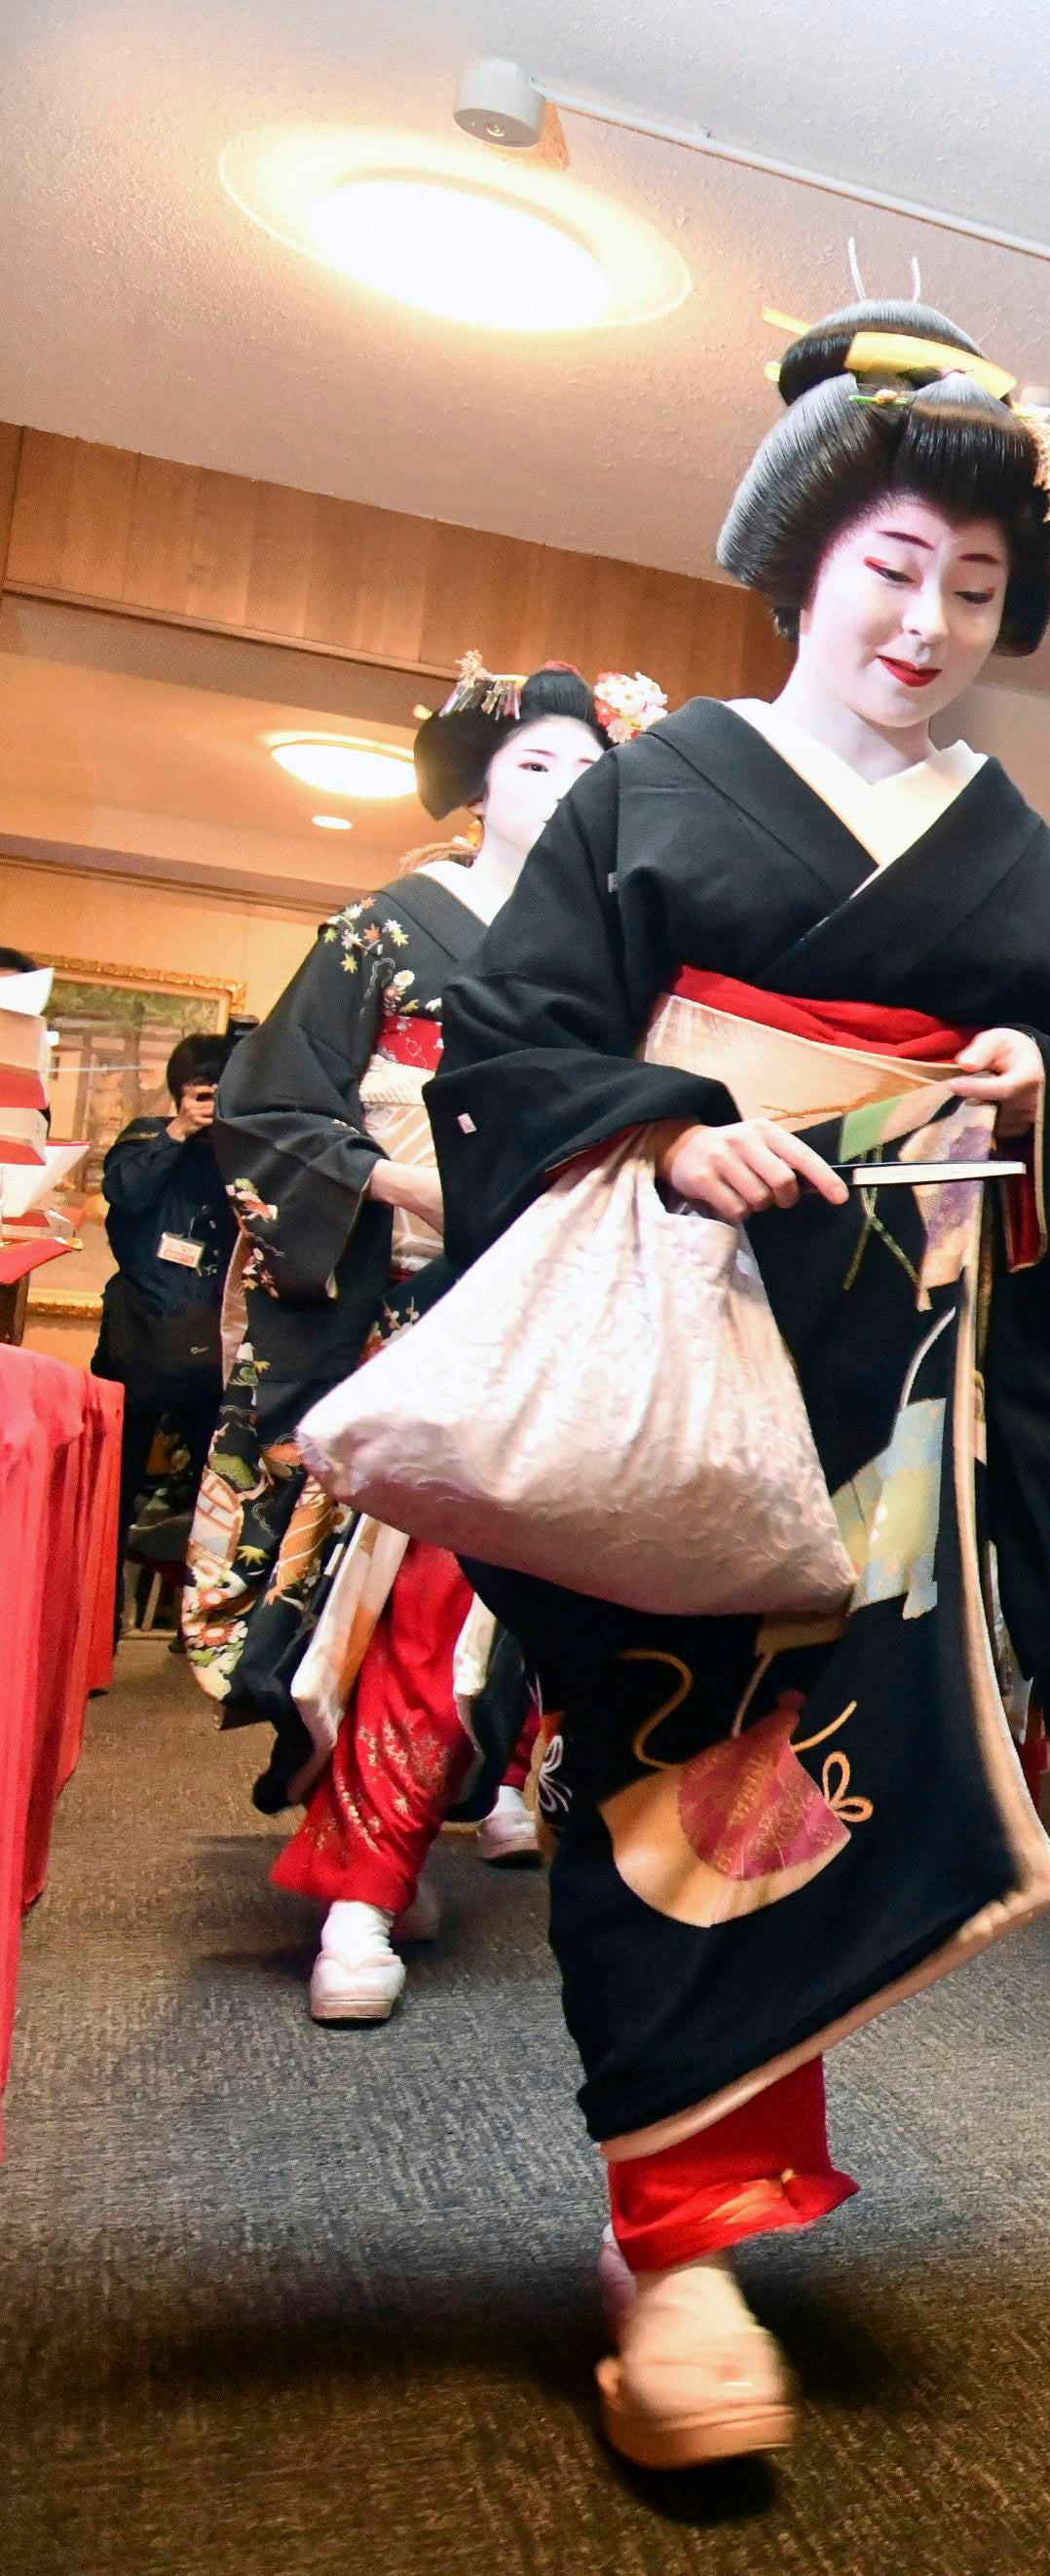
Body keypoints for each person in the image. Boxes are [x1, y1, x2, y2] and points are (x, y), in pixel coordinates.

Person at [429, 302, 1050, 2471]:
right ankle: (673, 2232)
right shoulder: (657, 787)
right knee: (661, 1764)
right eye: (892, 569)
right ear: (803, 564)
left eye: (977, 589)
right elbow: (506, 1045)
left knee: (816, 1789)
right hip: (689, 1328)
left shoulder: (1018, 852)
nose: (930, 622)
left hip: (895, 1383)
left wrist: (1044, 1081)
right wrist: (662, 1114)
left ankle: (702, 2211)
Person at [190, 658, 650, 2021]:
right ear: (477, 790)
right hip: (395, 1311)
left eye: (589, 773)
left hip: (541, 1314)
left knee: (482, 1618)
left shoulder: (616, 956)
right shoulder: (384, 927)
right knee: (389, 1598)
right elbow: (269, 1112)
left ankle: (376, 1863)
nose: (567, 795)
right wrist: (402, 1183)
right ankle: (361, 1886)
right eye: (534, 768)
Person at [94, 1029, 237, 1577]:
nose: (212, 1104)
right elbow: (124, 1193)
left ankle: (199, 1626)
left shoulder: (240, 1151)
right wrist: (178, 1131)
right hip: (140, 1343)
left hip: (214, 1350)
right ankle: (99, 1628)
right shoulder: (145, 1140)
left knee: (215, 1498)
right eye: (204, 1092)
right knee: (114, 1490)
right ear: (182, 1090)